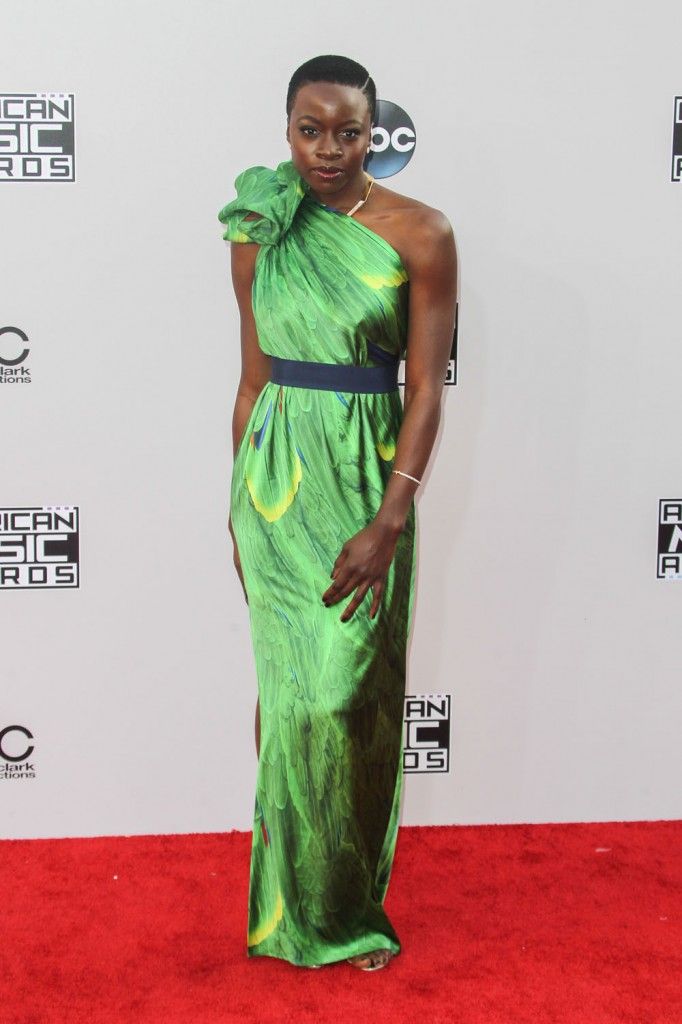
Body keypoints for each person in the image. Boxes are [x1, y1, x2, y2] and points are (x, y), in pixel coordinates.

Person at [218, 54, 457, 971]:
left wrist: (392, 517)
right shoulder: (260, 229)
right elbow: (252, 380)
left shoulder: (420, 232)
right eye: (310, 130)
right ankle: (288, 897)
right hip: (274, 483)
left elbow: (425, 390)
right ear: (287, 130)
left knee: (346, 698)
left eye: (347, 132)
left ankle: (343, 905)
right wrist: (237, 503)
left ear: (373, 134)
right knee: (290, 696)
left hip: (364, 479)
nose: (327, 149)